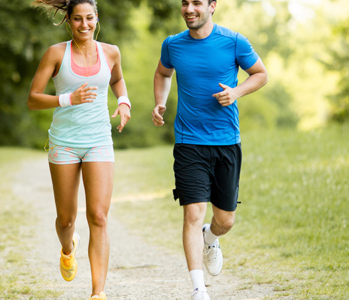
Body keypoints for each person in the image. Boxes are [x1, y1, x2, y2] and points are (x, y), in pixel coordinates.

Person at [152, 0, 268, 299]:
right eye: (185, 3)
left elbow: (260, 73)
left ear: (212, 6)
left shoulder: (234, 41)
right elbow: (163, 74)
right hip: (188, 142)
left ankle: (212, 237)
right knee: (192, 213)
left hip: (226, 141)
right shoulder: (172, 45)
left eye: (197, 3)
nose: (189, 8)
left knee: (225, 220)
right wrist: (160, 102)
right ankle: (198, 289)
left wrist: (236, 92)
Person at [28, 1, 132, 299]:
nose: (84, 25)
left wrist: (123, 101)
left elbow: (117, 79)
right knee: (66, 220)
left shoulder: (110, 52)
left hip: (99, 140)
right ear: (68, 21)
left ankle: (97, 293)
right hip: (64, 143)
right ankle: (66, 246)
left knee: (98, 216)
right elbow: (33, 98)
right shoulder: (56, 53)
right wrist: (67, 99)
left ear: (96, 19)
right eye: (77, 19)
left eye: (89, 18)